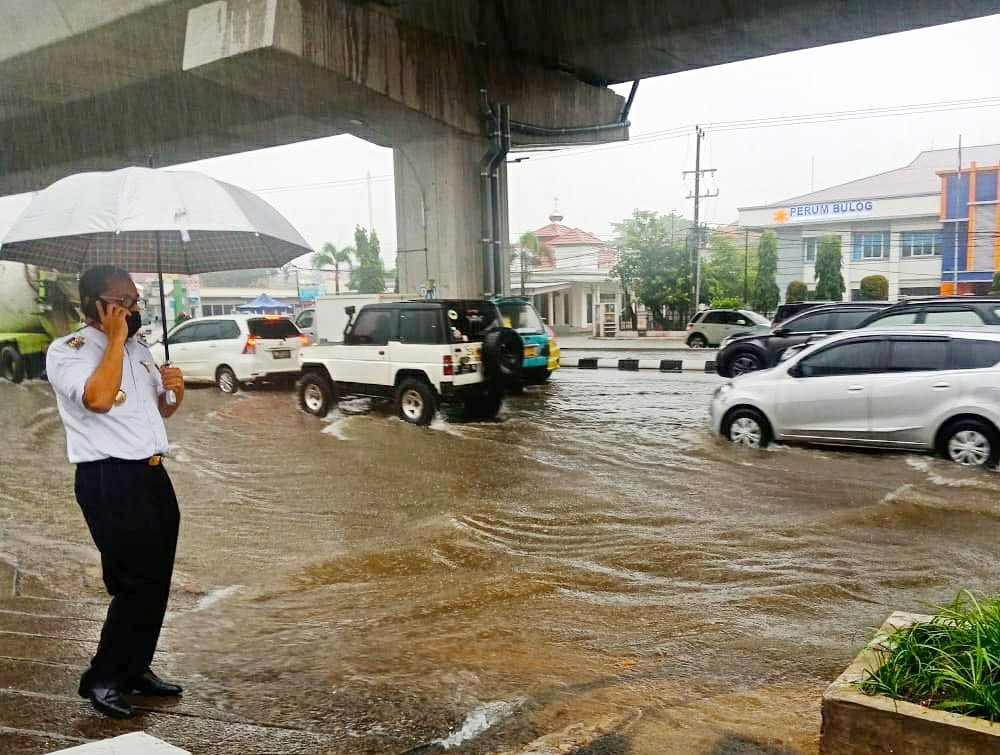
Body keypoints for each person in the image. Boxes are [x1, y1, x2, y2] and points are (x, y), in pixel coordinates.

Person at [46, 265, 186, 719]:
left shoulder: (141, 350)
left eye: (134, 300)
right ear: (92, 304)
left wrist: (173, 391)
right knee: (134, 583)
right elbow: (99, 400)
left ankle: (135, 667)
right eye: (120, 301)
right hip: (109, 479)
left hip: (151, 474)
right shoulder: (68, 351)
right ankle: (103, 677)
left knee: (158, 579)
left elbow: (158, 414)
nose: (130, 308)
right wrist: (116, 341)